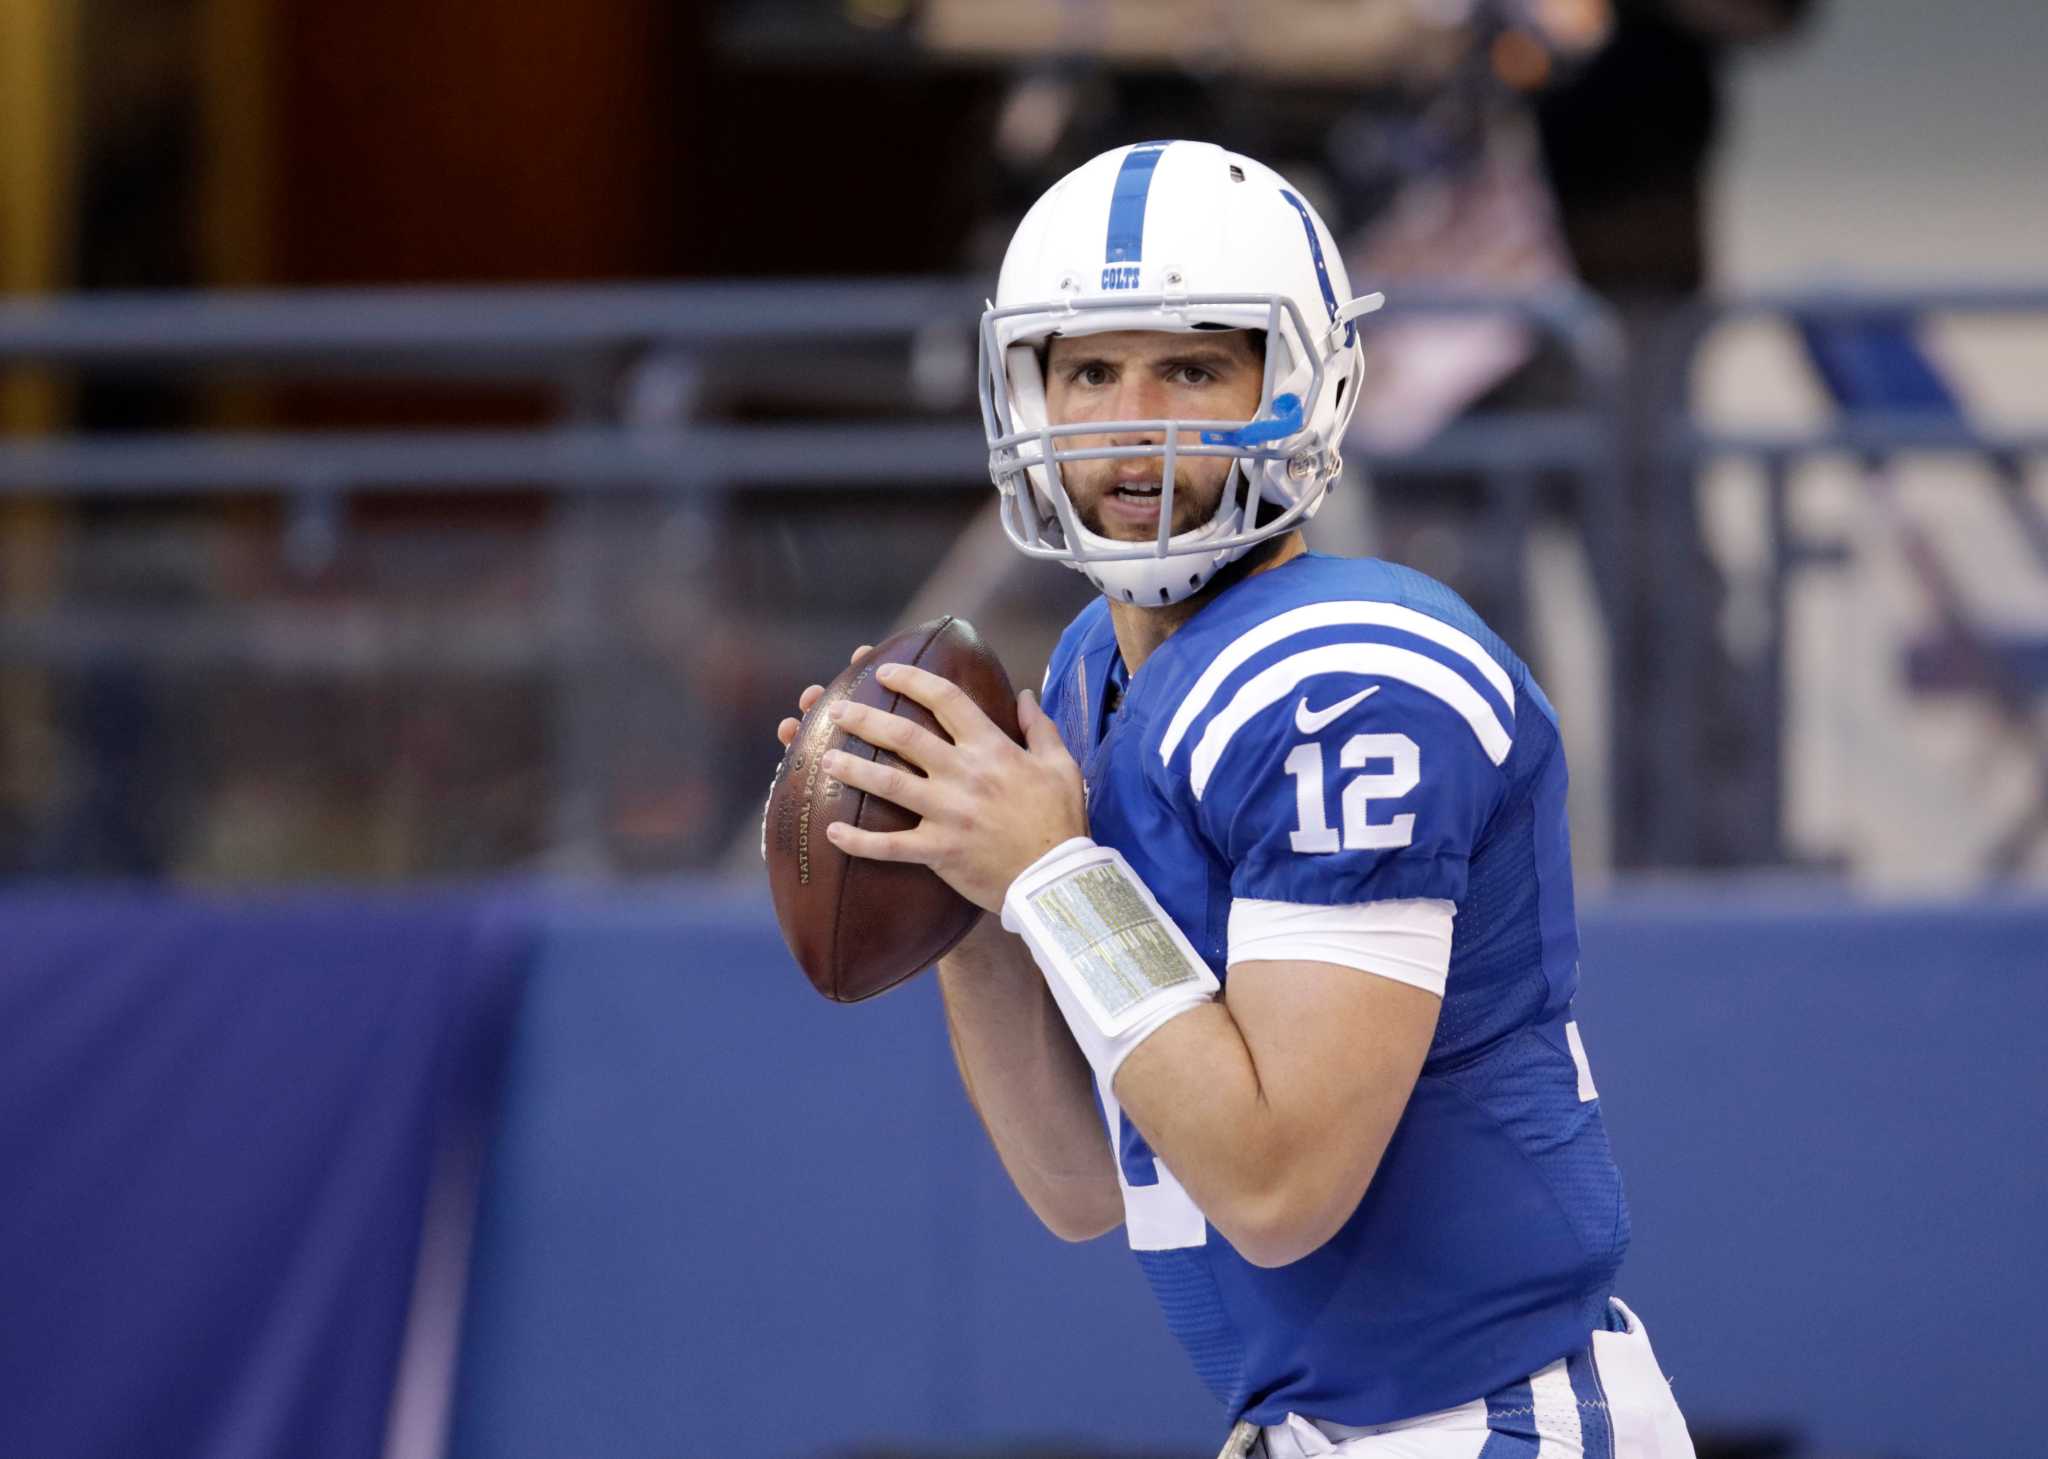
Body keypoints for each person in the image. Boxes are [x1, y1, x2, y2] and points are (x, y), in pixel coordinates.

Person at [775, 140, 1694, 1459]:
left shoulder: (1353, 673)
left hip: (1482, 1427)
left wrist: (1047, 873)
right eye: (1089, 370)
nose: (1133, 418)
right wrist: (968, 898)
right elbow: (1081, 1184)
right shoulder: (1093, 669)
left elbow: (1278, 1186)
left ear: (1304, 383)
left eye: (1193, 367)